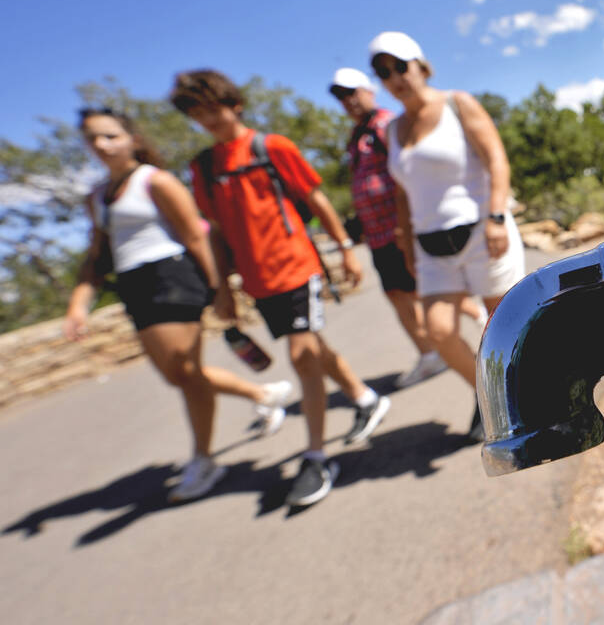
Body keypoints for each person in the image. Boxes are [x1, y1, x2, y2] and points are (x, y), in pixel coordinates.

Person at [169, 71, 389, 507]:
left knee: (301, 356)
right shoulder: (204, 168)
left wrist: (345, 248)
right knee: (311, 347)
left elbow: (316, 200)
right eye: (197, 112)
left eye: (212, 107)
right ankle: (366, 399)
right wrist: (223, 288)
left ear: (234, 104)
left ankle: (316, 456)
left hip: (296, 267)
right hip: (256, 282)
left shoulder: (272, 148)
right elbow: (215, 232)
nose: (207, 118)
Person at [65, 108, 292, 504]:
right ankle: (263, 395)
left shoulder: (157, 182)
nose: (101, 145)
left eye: (110, 136)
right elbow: (97, 255)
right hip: (133, 285)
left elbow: (195, 236)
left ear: (132, 139)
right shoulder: (96, 198)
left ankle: (203, 460)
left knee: (185, 373)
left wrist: (219, 290)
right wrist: (79, 303)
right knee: (179, 374)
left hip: (172, 275)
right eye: (93, 139)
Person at [368, 32, 526, 441]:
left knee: (503, 324)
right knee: (438, 331)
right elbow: (403, 190)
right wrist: (404, 237)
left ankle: (526, 395)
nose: (395, 78)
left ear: (421, 65)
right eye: (383, 72)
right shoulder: (392, 130)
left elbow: (495, 158)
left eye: (400, 66)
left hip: (479, 232)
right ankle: (491, 394)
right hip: (430, 246)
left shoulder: (458, 104)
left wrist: (495, 215)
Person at [328, 68, 484, 388]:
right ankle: (433, 352)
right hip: (378, 233)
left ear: (369, 90)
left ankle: (472, 330)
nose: (349, 102)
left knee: (425, 294)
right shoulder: (357, 136)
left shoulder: (388, 126)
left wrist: (406, 227)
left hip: (401, 229)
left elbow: (407, 177)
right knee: (400, 294)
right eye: (342, 97)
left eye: (352, 93)